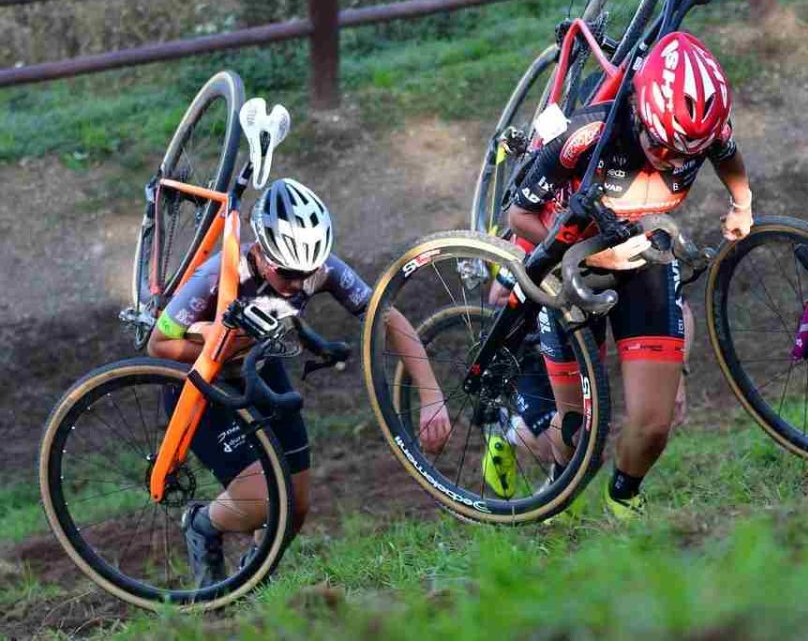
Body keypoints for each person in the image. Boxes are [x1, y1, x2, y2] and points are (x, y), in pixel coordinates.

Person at [147, 178, 451, 586]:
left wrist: (431, 396)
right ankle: (202, 524)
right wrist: (219, 348)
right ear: (262, 252)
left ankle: (254, 580)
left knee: (296, 508)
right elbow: (159, 344)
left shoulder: (316, 269)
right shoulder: (219, 273)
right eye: (289, 273)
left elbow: (387, 317)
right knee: (265, 500)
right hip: (201, 384)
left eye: (309, 272)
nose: (299, 283)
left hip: (259, 367)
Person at [506, 31, 754, 519]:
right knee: (576, 435)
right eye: (663, 149)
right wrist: (588, 256)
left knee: (654, 423)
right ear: (641, 113)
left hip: (641, 255)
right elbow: (519, 216)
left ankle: (623, 499)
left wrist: (742, 202)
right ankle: (513, 437)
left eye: (687, 156)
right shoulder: (587, 135)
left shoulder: (700, 134)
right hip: (571, 265)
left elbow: (727, 155)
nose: (675, 162)